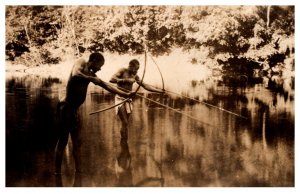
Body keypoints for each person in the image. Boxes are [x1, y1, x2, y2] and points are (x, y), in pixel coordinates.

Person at [55, 53, 134, 178]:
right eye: (100, 65)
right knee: (63, 141)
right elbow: (76, 73)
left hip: (74, 110)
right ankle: (57, 174)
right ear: (94, 60)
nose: (100, 69)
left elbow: (107, 85)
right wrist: (91, 79)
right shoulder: (81, 63)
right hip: (65, 108)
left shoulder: (91, 74)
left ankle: (79, 173)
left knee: (77, 142)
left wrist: (125, 94)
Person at [110, 59, 164, 140]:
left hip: (128, 100)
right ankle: (123, 143)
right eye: (135, 69)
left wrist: (159, 91)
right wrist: (126, 80)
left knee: (126, 123)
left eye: (138, 69)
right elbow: (112, 79)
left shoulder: (135, 76)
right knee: (124, 121)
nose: (136, 71)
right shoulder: (122, 71)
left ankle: (124, 141)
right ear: (130, 67)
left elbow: (145, 86)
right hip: (120, 98)